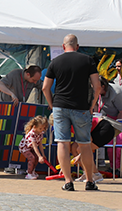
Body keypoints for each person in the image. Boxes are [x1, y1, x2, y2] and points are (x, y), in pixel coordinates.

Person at [41, 34, 101, 191]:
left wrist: (52, 105)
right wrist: (92, 105)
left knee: (62, 143)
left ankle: (68, 182)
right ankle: (89, 181)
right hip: (81, 107)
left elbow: (45, 87)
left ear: (63, 46)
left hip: (60, 106)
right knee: (85, 144)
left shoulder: (55, 62)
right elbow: (97, 86)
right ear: (77, 46)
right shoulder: (88, 61)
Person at [18, 115, 48, 180]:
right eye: (40, 128)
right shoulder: (32, 134)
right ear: (35, 127)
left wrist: (43, 155)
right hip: (24, 147)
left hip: (30, 147)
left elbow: (40, 144)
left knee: (36, 158)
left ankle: (32, 171)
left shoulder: (40, 133)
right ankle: (29, 174)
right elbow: (35, 146)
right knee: (32, 158)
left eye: (43, 128)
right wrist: (40, 156)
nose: (42, 130)